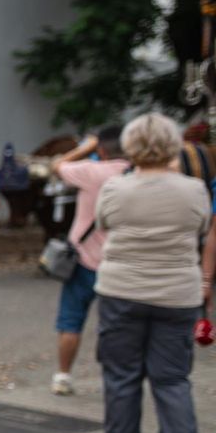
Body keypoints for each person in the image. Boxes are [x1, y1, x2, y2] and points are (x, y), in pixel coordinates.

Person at [92, 112, 207, 433]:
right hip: (178, 293)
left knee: (121, 375)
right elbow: (201, 227)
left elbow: (104, 224)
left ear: (132, 146)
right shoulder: (194, 190)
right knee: (173, 377)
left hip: (122, 290)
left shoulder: (115, 188)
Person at [47, 126, 128, 396]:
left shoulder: (90, 172)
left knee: (70, 321)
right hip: (119, 263)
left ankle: (63, 376)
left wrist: (86, 147)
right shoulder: (135, 174)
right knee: (114, 326)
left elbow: (57, 165)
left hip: (82, 260)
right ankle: (114, 378)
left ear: (101, 150)